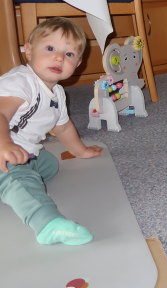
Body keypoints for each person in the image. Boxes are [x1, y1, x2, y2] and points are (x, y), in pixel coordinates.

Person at [0, 17, 103, 245]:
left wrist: (81, 151)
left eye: (69, 54)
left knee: (50, 165)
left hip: (24, 150)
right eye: (50, 48)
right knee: (19, 179)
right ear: (28, 50)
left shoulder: (57, 93)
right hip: (3, 149)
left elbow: (62, 127)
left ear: (77, 65)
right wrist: (4, 144)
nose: (58, 57)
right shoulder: (21, 82)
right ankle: (47, 224)